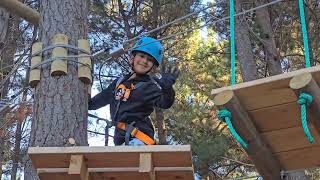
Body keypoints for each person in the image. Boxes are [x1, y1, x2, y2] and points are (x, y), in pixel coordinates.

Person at [88, 36, 180, 146]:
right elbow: (96, 102)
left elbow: (165, 103)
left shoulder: (149, 87)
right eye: (141, 56)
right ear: (132, 57)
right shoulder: (118, 83)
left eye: (150, 60)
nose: (144, 61)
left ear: (153, 66)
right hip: (121, 139)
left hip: (140, 138)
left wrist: (167, 89)